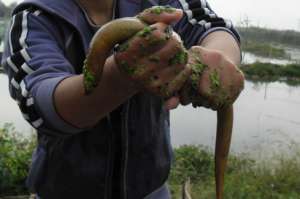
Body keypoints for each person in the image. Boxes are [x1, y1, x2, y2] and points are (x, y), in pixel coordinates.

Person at [2, 0, 242, 198]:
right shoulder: (33, 19)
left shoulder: (164, 3)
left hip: (150, 190)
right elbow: (40, 103)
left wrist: (218, 60)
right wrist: (118, 77)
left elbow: (213, 26)